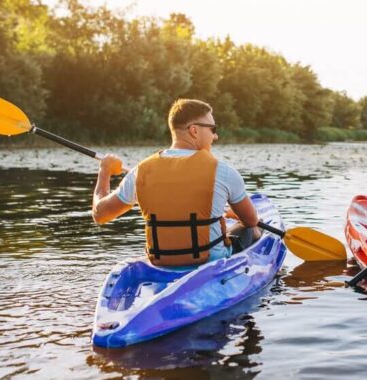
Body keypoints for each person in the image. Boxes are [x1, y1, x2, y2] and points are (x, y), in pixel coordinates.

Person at [91, 99, 261, 267]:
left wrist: (104, 171)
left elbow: (100, 214)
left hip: (161, 262)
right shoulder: (223, 171)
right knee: (251, 230)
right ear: (194, 130)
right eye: (213, 129)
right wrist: (235, 214)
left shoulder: (140, 171)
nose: (215, 136)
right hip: (211, 262)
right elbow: (251, 220)